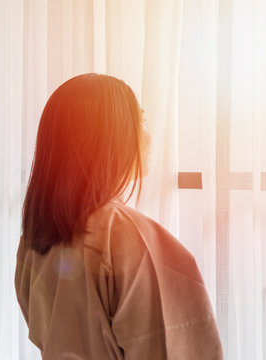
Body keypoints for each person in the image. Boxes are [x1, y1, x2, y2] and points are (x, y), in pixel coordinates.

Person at [14, 73, 223, 359]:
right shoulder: (125, 235)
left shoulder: (33, 243)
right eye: (141, 121)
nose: (148, 136)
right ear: (109, 136)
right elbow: (177, 346)